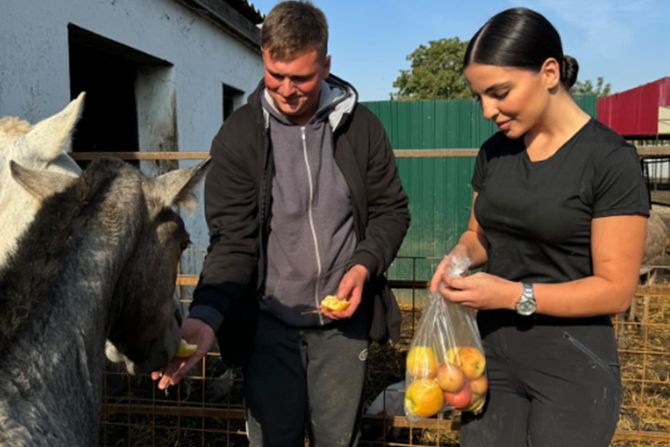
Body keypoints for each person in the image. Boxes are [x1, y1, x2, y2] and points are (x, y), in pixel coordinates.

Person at [153, 2, 410, 446]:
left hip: (343, 328)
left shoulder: (362, 128)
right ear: (263, 58)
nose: (287, 90)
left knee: (338, 438)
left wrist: (362, 266)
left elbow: (391, 210)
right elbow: (232, 242)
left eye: (302, 78)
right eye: (276, 75)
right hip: (267, 325)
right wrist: (207, 315)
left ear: (326, 64)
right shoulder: (238, 137)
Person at [429, 7, 648, 447]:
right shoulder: (494, 153)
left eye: (499, 92)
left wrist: (512, 295)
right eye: (480, 97)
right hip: (491, 356)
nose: (488, 110)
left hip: (572, 361)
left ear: (549, 73)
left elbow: (616, 289)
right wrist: (459, 258)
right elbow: (480, 235)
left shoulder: (609, 161)